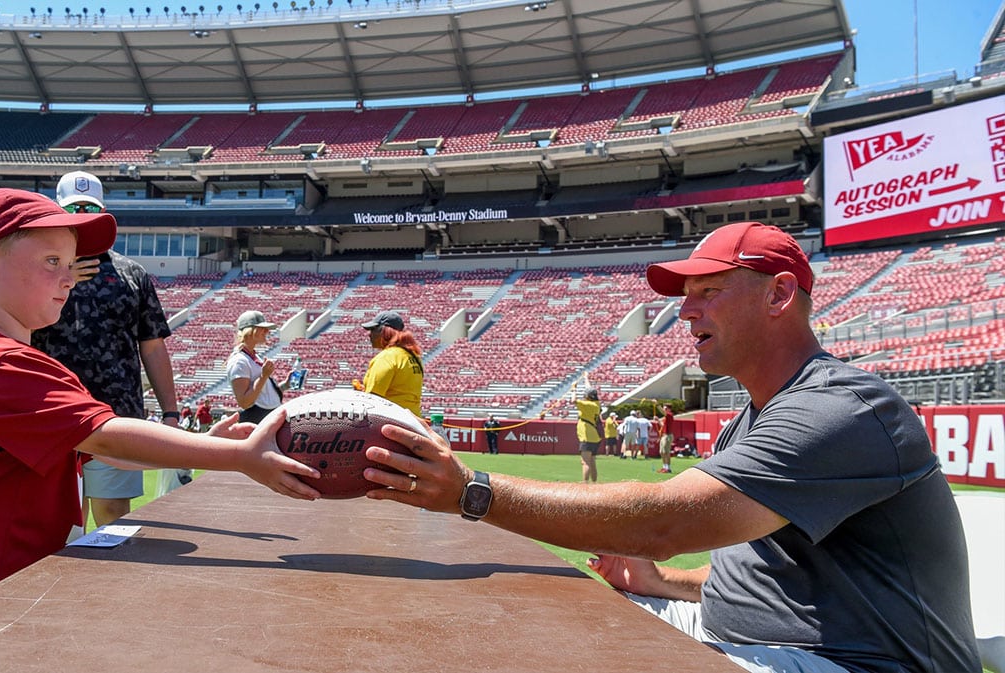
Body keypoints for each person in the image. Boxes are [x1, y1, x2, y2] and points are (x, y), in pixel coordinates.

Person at [362, 221, 978, 673]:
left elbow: (664, 520)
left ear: (779, 295)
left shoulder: (840, 407)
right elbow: (765, 576)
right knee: (530, 622)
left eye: (708, 290)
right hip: (770, 645)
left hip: (854, 664)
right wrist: (663, 583)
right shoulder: (761, 413)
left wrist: (473, 492)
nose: (685, 311)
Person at [0, 189, 320, 642]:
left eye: (71, 265)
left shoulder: (18, 360)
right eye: (52, 261)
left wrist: (213, 440)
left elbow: (110, 454)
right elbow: (108, 438)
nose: (68, 278)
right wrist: (241, 456)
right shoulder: (0, 362)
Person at [31, 170, 189, 527]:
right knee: (55, 525)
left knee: (114, 520)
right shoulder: (37, 272)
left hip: (116, 415)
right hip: (52, 414)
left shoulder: (131, 273)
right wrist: (62, 277)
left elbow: (152, 347)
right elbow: (19, 329)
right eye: (75, 208)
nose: (82, 215)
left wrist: (170, 412)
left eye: (90, 207)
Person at [355, 310, 424, 417]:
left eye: (373, 329)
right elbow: (400, 391)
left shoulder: (386, 357)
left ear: (384, 331)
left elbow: (372, 401)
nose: (369, 334)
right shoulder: (413, 356)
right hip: (413, 420)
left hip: (391, 422)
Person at [226, 310, 288, 424]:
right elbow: (244, 402)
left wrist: (284, 386)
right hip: (257, 419)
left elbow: (263, 394)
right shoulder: (239, 361)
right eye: (262, 328)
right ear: (250, 331)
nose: (267, 331)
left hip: (266, 416)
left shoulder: (253, 357)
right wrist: (264, 376)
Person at [575, 388, 602, 483]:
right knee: (592, 461)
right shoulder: (596, 404)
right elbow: (590, 389)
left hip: (587, 437)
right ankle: (594, 482)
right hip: (595, 437)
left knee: (585, 462)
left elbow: (573, 401)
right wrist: (586, 377)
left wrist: (574, 388)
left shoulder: (588, 405)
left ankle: (585, 483)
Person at [658, 404, 675, 473]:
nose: (664, 409)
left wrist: (657, 404)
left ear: (669, 409)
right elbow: (663, 425)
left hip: (668, 436)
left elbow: (662, 412)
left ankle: (668, 468)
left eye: (665, 408)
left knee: (666, 452)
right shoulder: (666, 417)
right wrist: (658, 421)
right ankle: (664, 467)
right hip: (664, 435)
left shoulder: (670, 415)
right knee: (661, 452)